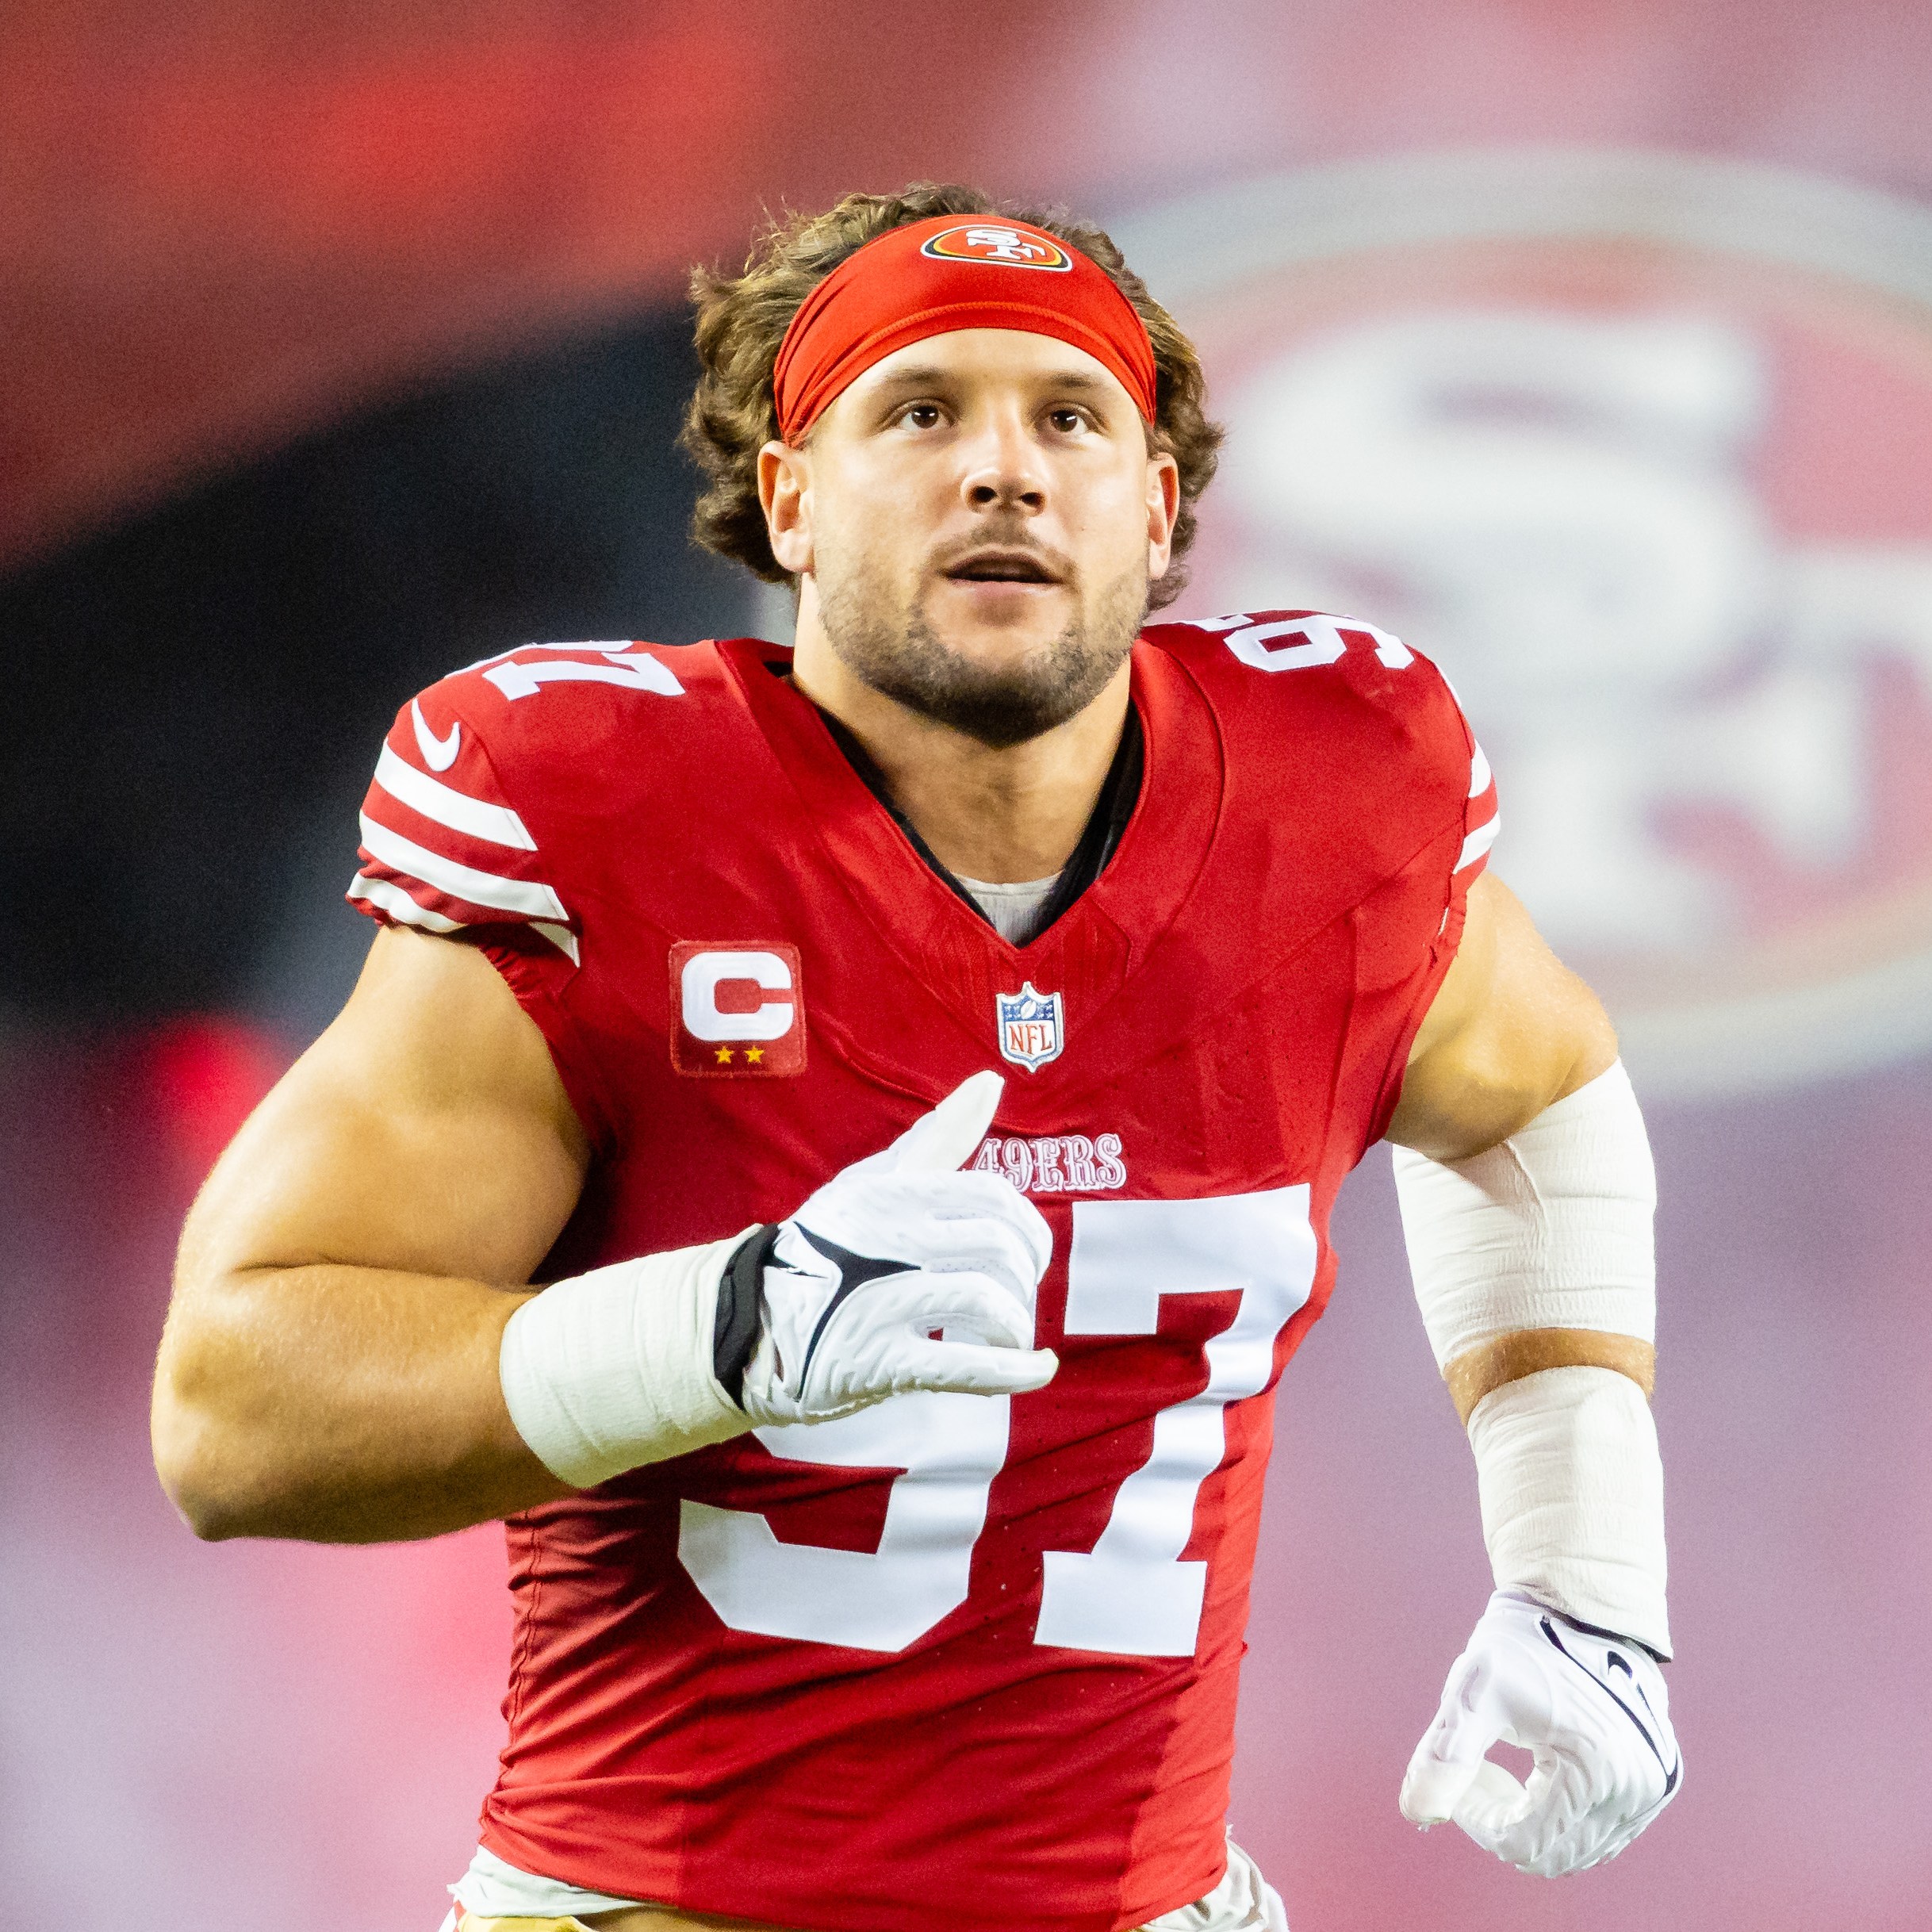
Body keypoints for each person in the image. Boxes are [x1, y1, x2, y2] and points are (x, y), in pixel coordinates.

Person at [151, 185, 1680, 1932]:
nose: (1006, 468)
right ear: (789, 501)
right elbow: (234, 1413)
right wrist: (725, 1329)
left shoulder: (1330, 799)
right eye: (922, 408)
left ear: (1157, 503)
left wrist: (1585, 1572)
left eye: (1070, 417)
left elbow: (1539, 1104)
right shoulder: (603, 815)